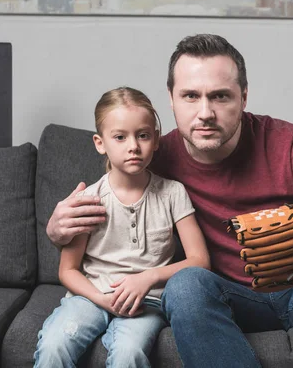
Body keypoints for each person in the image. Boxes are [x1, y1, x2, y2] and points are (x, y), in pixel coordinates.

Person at [46, 34, 293, 368]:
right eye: (191, 96)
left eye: (221, 96)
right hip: (222, 298)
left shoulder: (292, 145)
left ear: (244, 97)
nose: (205, 112)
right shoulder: (151, 156)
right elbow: (105, 206)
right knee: (184, 285)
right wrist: (57, 229)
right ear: (171, 99)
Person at [34, 87, 210, 368]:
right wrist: (101, 300)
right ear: (100, 143)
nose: (133, 146)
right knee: (55, 344)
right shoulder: (88, 200)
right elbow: (67, 270)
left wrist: (147, 279)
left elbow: (200, 261)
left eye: (143, 135)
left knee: (129, 354)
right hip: (90, 297)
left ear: (155, 141)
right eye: (120, 137)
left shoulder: (173, 193)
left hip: (147, 303)